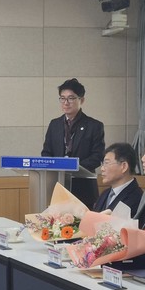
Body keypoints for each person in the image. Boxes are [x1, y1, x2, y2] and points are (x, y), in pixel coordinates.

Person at [42, 78, 105, 208]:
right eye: (62, 98)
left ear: (82, 100)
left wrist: (72, 167)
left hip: (84, 187)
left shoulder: (94, 126)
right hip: (58, 186)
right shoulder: (54, 124)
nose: (66, 103)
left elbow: (97, 157)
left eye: (71, 98)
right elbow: (46, 152)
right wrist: (56, 168)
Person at [94, 143, 142, 214]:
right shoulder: (105, 194)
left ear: (124, 167)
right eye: (103, 164)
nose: (102, 169)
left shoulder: (136, 197)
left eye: (106, 163)